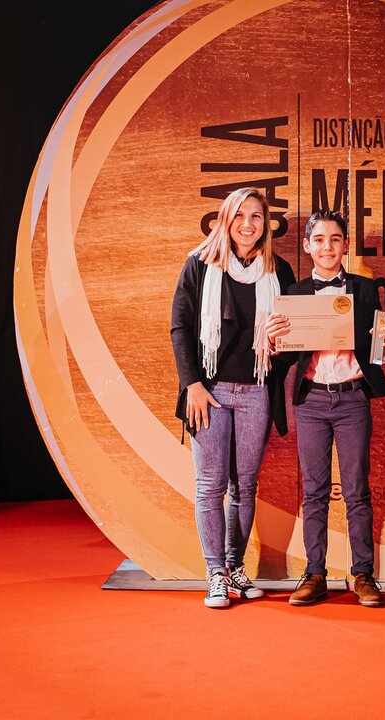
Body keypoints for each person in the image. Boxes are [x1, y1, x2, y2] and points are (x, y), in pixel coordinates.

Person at [170, 187, 295, 609]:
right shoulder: (199, 264)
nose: (248, 224)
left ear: (266, 224)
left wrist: (279, 345)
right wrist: (192, 385)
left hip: (257, 390)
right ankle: (215, 575)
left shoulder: (279, 271)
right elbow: (180, 328)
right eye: (239, 215)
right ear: (225, 219)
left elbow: (293, 343)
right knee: (210, 486)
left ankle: (235, 566)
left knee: (245, 486)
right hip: (209, 392)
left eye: (256, 216)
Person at [270, 209, 385, 607]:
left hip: (353, 398)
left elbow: (376, 352)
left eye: (335, 239)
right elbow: (286, 357)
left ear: (345, 246)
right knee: (314, 491)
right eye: (320, 240)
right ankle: (315, 574)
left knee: (357, 491)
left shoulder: (364, 289)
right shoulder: (294, 294)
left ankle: (362, 574)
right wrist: (274, 343)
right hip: (311, 400)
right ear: (307, 246)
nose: (327, 247)